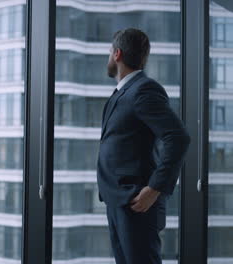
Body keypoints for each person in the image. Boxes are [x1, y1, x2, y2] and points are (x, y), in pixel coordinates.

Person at [97, 28, 190, 264]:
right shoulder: (123, 92)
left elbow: (178, 137)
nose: (108, 57)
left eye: (109, 52)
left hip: (137, 202)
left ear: (117, 54)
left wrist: (154, 188)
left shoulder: (143, 90)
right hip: (118, 200)